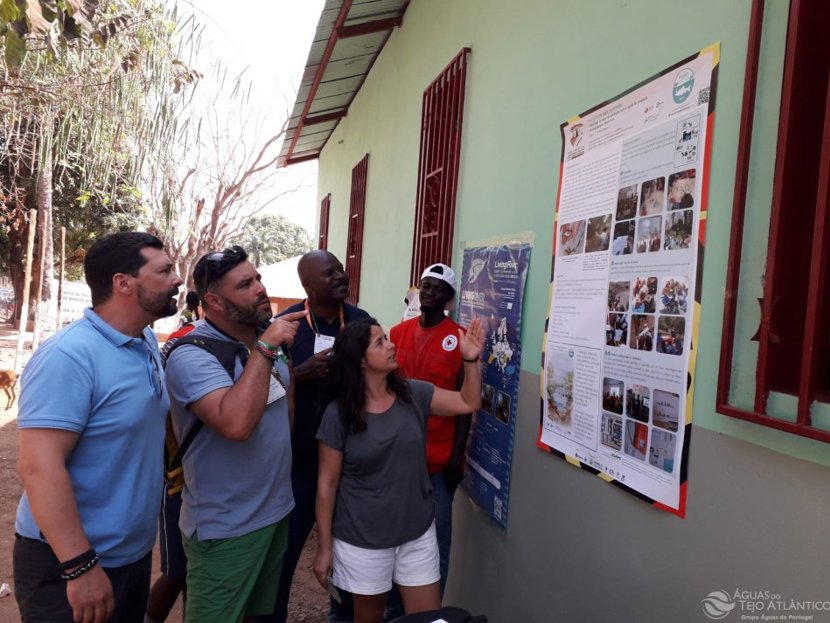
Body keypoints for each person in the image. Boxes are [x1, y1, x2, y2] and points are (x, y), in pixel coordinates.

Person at [14, 232, 182, 623]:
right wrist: (80, 566)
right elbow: (39, 467)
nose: (177, 279)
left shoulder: (143, 342)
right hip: (70, 563)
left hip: (130, 557)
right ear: (124, 283)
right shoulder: (69, 355)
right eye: (165, 271)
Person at [163, 245, 306, 623]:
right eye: (245, 284)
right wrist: (266, 347)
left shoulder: (263, 339)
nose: (260, 288)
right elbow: (237, 424)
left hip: (276, 512)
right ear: (214, 300)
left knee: (259, 616)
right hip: (226, 527)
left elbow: (285, 411)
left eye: (258, 278)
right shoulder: (191, 354)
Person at [314, 317, 484, 623]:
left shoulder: (413, 394)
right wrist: (324, 548)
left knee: (428, 619)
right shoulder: (338, 414)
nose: (392, 345)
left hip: (416, 532)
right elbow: (327, 483)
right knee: (369, 618)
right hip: (362, 538)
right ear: (361, 361)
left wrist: (469, 359)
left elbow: (468, 402)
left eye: (387, 338)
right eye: (380, 342)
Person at [270, 250, 370, 623]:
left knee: (350, 557)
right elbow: (263, 387)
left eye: (341, 270)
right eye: (329, 274)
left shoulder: (361, 323)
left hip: (348, 462)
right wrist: (300, 373)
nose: (340, 276)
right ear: (307, 286)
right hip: (296, 463)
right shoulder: (285, 325)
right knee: (284, 554)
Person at [388, 263, 470, 600]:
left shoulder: (461, 340)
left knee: (436, 542)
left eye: (439, 289)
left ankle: (430, 611)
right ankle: (394, 608)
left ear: (449, 299)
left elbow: (466, 405)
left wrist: (456, 458)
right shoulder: (396, 334)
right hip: (396, 457)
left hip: (438, 461)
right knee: (394, 537)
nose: (431, 293)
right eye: (426, 286)